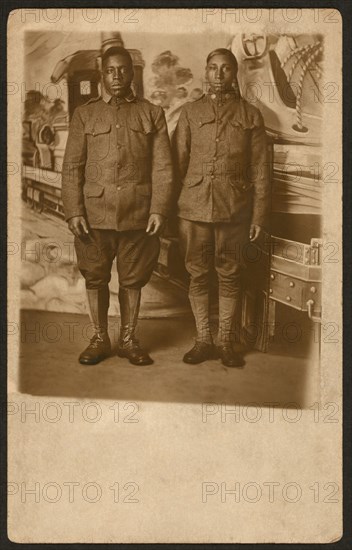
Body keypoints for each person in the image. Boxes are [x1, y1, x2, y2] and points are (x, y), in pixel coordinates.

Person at [62, 46, 174, 366]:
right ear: (102, 74)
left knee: (133, 279)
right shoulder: (85, 114)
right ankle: (100, 338)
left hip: (138, 214)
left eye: (123, 70)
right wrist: (73, 211)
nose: (117, 76)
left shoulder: (151, 113)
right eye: (111, 70)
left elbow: (163, 167)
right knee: (95, 278)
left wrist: (159, 209)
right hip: (94, 216)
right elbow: (72, 167)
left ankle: (128, 339)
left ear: (132, 73)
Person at [172, 48, 270, 368]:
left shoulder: (250, 115)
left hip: (235, 208)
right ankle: (203, 340)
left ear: (234, 73)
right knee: (197, 274)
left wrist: (258, 215)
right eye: (213, 68)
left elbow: (261, 170)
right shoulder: (189, 112)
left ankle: (225, 341)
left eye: (225, 69)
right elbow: (177, 164)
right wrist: (174, 209)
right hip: (193, 208)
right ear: (205, 71)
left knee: (230, 274)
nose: (218, 74)